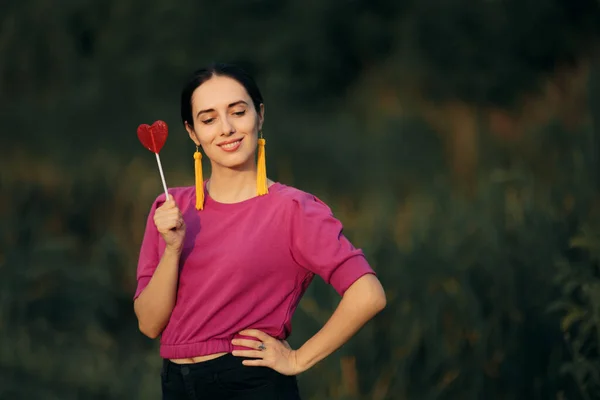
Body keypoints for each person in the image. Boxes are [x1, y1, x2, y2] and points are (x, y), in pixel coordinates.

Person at [133, 62, 386, 400]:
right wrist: (173, 248)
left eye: (237, 112)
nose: (226, 128)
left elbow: (368, 294)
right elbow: (149, 325)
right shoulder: (170, 209)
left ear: (259, 115)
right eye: (208, 119)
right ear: (192, 132)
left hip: (249, 385)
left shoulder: (294, 209)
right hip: (176, 384)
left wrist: (298, 358)